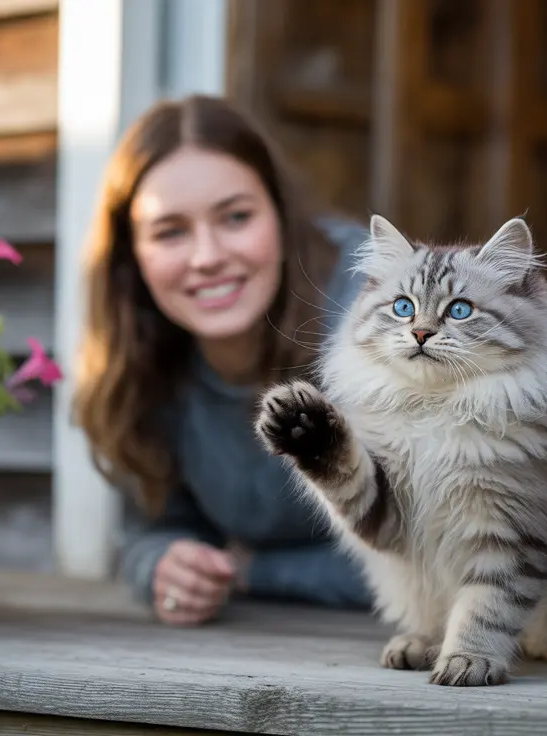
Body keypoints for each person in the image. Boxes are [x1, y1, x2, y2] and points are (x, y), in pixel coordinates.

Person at [70, 94, 374, 626]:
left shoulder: (370, 312)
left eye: (235, 217)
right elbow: (154, 527)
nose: (207, 256)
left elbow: (444, 556)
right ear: (131, 258)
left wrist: (250, 571)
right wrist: (165, 566)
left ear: (281, 217)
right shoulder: (146, 358)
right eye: (170, 232)